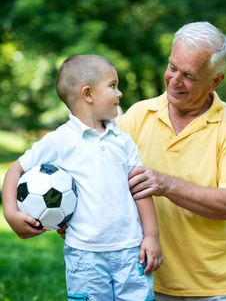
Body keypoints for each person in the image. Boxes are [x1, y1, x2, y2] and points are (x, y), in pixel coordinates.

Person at [2, 54, 163, 301]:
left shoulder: (123, 141)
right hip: (84, 256)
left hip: (131, 252)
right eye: (112, 86)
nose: (119, 93)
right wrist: (11, 213)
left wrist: (151, 237)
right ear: (88, 94)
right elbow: (15, 170)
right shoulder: (59, 140)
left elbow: (140, 190)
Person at [117, 21, 226, 300]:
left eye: (189, 76)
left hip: (217, 288)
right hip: (144, 279)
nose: (174, 80)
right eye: (172, 67)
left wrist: (165, 184)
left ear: (216, 80)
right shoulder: (137, 116)